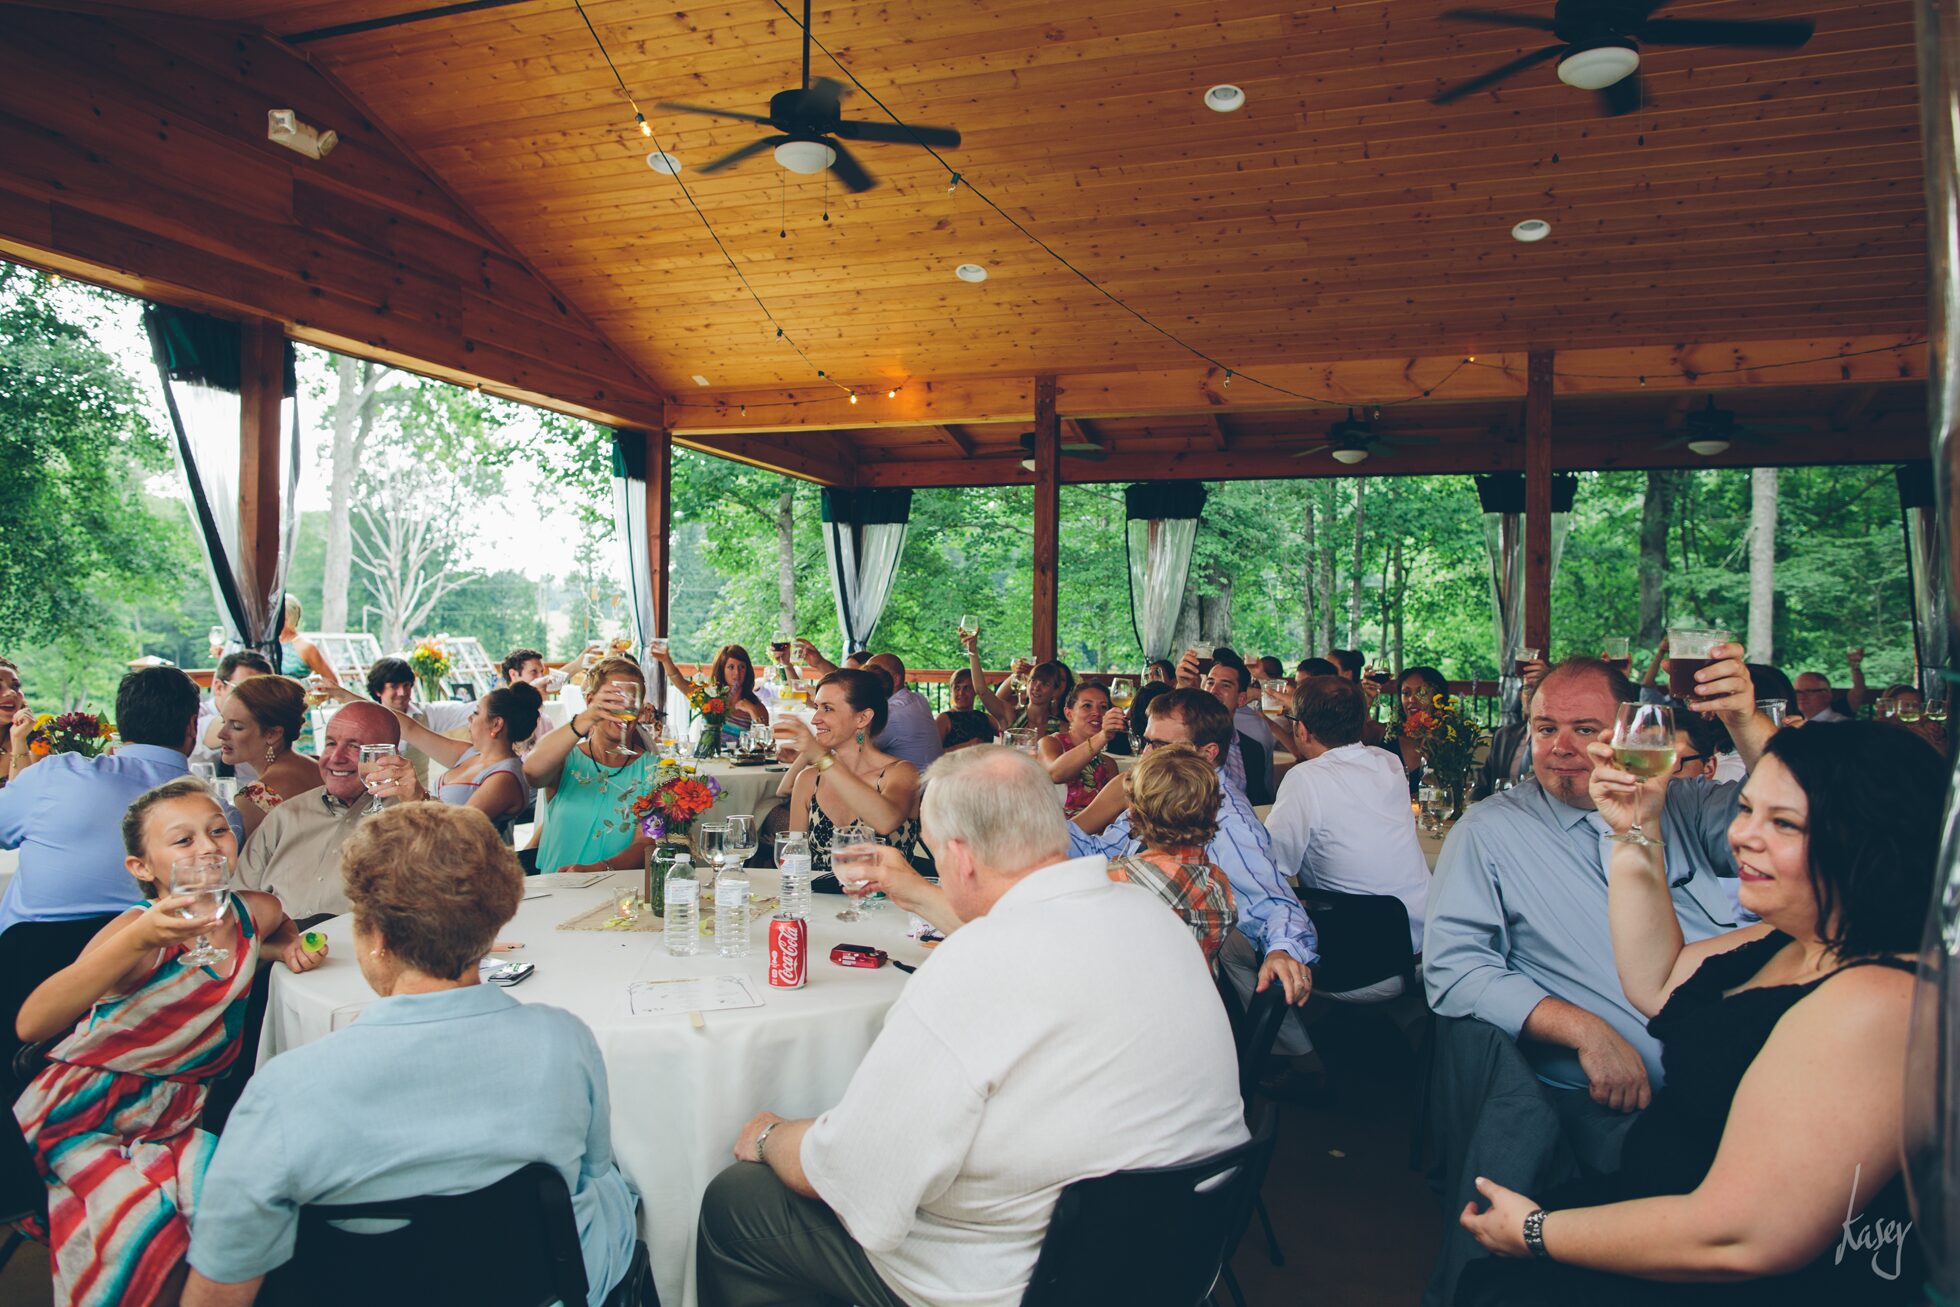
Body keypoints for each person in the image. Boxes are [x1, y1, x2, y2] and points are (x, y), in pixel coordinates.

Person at [694, 746, 1248, 1307]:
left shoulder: (976, 965)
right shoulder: (1149, 914)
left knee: (737, 1200)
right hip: (1178, 1259)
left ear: (958, 857)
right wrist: (911, 886)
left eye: (934, 854)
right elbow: (1029, 930)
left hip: (1025, 1281)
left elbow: (855, 1177)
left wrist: (770, 1136)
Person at [1457, 720, 1942, 1303]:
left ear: (1872, 841)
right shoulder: (1796, 938)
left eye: (1783, 823)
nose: (1743, 837)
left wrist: (1536, 1233)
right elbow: (1656, 979)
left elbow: (1744, 1237)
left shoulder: (1877, 1000)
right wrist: (1636, 825)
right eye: (1746, 809)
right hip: (1666, 1205)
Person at [182, 804, 638, 1307]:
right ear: (493, 929)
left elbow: (219, 1291)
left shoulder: (285, 1091)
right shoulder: (565, 1041)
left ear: (375, 938)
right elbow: (592, 1177)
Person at [1423, 652, 1771, 1162]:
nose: (1560, 747)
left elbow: (1817, 813)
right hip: (1637, 1109)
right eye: (1545, 729)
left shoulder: (1684, 804)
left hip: (1758, 1061)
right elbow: (1454, 969)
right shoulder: (1489, 831)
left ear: (1630, 734)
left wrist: (1744, 719)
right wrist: (1584, 1030)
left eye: (1585, 729)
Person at [14, 777, 320, 1307]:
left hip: (177, 1115)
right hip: (84, 1111)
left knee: (238, 1214)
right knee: (144, 1225)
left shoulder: (254, 910)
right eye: (183, 841)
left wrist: (286, 949)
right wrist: (137, 939)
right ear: (143, 868)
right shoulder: (136, 932)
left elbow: (278, 930)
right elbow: (31, 1023)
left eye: (218, 830)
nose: (207, 847)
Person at [1068, 688, 1315, 1007]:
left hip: (1169, 989)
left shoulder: (1228, 820)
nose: (1144, 755)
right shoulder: (1163, 790)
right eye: (1146, 741)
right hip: (1135, 957)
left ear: (1207, 753)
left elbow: (1278, 905)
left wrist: (1283, 951)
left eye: (1159, 745)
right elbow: (1099, 853)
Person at [1, 667, 237, 938]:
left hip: (28, 960)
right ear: (192, 725)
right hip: (154, 965)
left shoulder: (54, 775)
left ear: (121, 724)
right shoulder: (219, 820)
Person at [1266, 676, 1429, 958]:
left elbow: (1271, 864)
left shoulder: (1306, 778)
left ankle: (1286, 1002)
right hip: (1423, 942)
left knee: (1234, 941)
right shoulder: (1387, 762)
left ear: (1301, 730)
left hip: (1359, 957)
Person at [233, 701, 407, 923]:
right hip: (274, 953)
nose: (336, 758)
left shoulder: (408, 823)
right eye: (331, 743)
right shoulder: (286, 816)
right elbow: (237, 910)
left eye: (355, 747)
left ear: (387, 755)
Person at [775, 669, 920, 880]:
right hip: (819, 906)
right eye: (817, 707)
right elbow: (793, 860)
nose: (815, 719)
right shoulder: (809, 780)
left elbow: (886, 821)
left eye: (827, 709)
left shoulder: (901, 773)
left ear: (863, 718)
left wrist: (822, 757)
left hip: (886, 908)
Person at [523, 657, 661, 876]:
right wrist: (586, 719)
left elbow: (648, 841)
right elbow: (532, 772)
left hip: (619, 897)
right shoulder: (566, 759)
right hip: (557, 891)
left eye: (631, 701)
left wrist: (599, 869)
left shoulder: (655, 770)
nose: (623, 708)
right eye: (612, 700)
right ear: (590, 700)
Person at [1106, 743, 1237, 964]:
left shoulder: (1116, 879)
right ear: (1213, 812)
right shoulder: (1218, 883)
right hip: (1196, 993)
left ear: (1133, 813)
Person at [362, 681, 540, 837]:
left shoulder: (505, 777)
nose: (469, 717)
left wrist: (419, 796)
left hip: (468, 868)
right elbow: (409, 728)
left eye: (476, 713)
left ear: (497, 723)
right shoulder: (470, 754)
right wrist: (346, 698)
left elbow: (457, 831)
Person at [216, 676, 322, 843]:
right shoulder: (319, 765)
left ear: (272, 734)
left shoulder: (257, 797)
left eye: (236, 726)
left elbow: (251, 866)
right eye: (223, 721)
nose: (221, 734)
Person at [1035, 681, 1121, 818]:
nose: (1097, 713)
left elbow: (1115, 811)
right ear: (1069, 714)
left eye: (1103, 707)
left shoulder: (1108, 764)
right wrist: (1102, 736)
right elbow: (1055, 774)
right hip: (1056, 832)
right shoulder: (1051, 743)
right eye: (1087, 706)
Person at [654, 641, 770, 740]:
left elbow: (763, 743)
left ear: (747, 670)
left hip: (739, 766)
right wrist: (665, 659)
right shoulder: (709, 696)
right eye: (731, 667)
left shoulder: (758, 707)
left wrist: (752, 711)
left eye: (742, 667)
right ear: (722, 669)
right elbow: (678, 680)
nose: (737, 673)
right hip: (707, 763)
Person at [1473, 656, 1549, 800]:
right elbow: (1482, 788)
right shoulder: (1504, 736)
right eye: (1528, 688)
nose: (1532, 695)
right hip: (1501, 816)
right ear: (1520, 696)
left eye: (1538, 688)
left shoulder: (1563, 739)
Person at [193, 650, 273, 778]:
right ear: (219, 687)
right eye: (245, 689)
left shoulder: (270, 727)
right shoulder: (196, 716)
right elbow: (210, 732)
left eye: (264, 691)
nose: (255, 698)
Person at [1384, 664, 1450, 797]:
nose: (1412, 699)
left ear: (1437, 697)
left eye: (1421, 693)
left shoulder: (1451, 741)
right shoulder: (1386, 735)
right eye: (1406, 693)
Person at [364, 655, 473, 733]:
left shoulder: (427, 714)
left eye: (406, 685)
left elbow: (469, 709)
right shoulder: (366, 721)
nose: (402, 693)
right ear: (377, 690)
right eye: (394, 686)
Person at [276, 595, 337, 686]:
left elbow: (332, 682)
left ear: (291, 619)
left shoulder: (305, 646)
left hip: (296, 698)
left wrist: (310, 694)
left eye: (281, 618)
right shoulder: (266, 644)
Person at [934, 667, 998, 751]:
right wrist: (968, 745)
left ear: (975, 691)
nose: (961, 693)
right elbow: (933, 754)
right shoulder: (943, 719)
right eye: (957, 688)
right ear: (951, 691)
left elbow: (1006, 730)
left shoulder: (985, 718)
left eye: (967, 688)